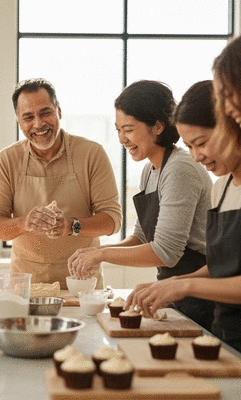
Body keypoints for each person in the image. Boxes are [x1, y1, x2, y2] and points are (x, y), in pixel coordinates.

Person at [68, 80, 215, 330]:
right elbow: (141, 236)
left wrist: (102, 254)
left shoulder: (180, 168)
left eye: (129, 129)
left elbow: (166, 252)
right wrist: (97, 253)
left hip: (200, 298)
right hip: (172, 293)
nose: (122, 139)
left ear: (158, 126)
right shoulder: (151, 170)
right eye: (118, 130)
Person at [126, 37, 241, 352]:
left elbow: (167, 250)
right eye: (190, 146)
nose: (196, 156)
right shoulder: (222, 188)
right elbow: (221, 267)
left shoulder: (180, 170)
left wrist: (186, 284)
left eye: (202, 143)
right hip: (225, 335)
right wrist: (174, 284)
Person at [0, 78, 122, 289]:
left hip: (82, 285)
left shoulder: (91, 154)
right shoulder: (7, 160)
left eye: (45, 112)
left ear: (59, 111)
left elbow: (112, 221)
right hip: (28, 287)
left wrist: (71, 225)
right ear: (19, 121)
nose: (38, 124)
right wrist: (24, 222)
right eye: (28, 117)